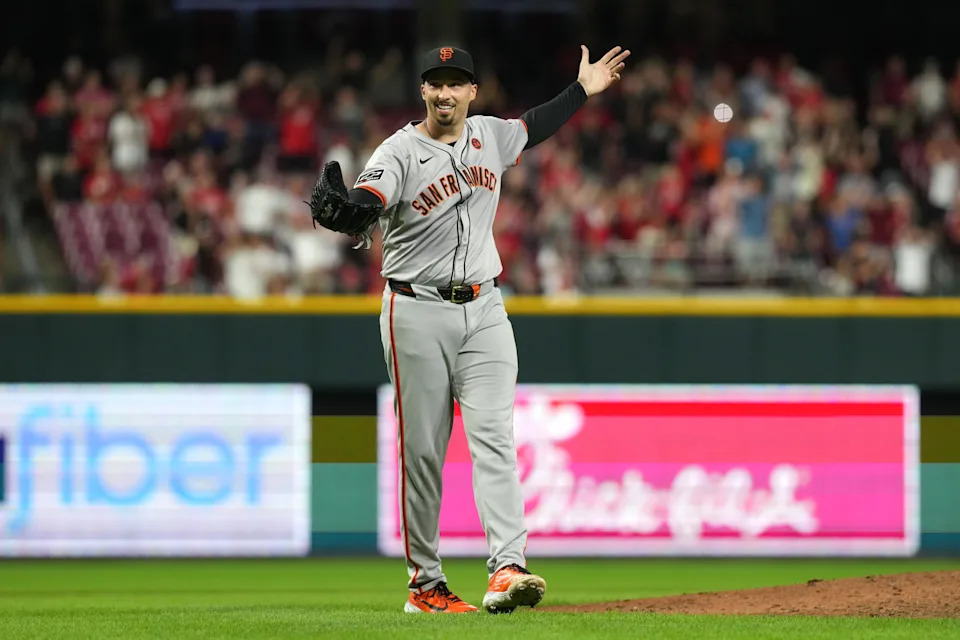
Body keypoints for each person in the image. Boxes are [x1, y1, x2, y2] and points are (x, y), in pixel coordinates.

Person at [318, 44, 629, 614]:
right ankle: (425, 586)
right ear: (423, 91)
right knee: (424, 453)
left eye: (455, 83)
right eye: (435, 83)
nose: (444, 93)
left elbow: (534, 126)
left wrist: (582, 90)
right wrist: (354, 209)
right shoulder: (399, 151)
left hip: (486, 308)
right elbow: (367, 196)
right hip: (415, 309)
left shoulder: (489, 134)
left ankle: (508, 567)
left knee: (495, 440)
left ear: (471, 91)